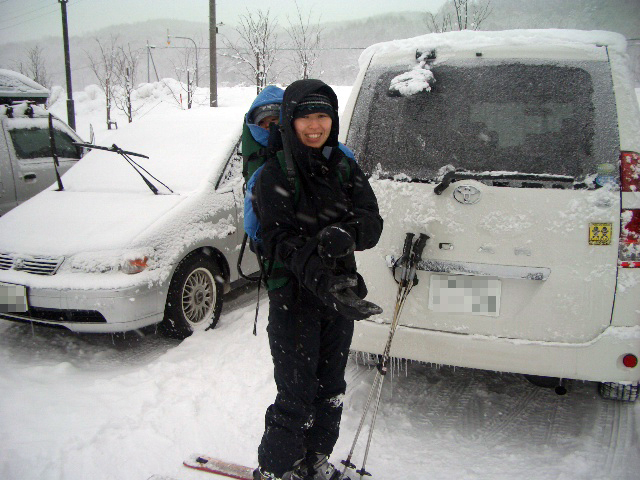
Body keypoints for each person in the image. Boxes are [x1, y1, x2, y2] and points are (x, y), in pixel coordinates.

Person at [252, 79, 384, 480]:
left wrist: (349, 234)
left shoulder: (343, 165)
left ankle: (314, 460)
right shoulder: (274, 173)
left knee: (331, 389)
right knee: (296, 393)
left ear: (333, 119)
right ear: (289, 121)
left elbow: (372, 220)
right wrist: (322, 274)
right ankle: (277, 469)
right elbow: (278, 241)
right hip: (293, 298)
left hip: (339, 295)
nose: (314, 125)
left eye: (322, 115)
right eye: (305, 116)